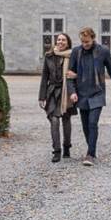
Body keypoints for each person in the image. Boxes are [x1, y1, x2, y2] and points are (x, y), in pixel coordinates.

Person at [67, 25, 111, 167]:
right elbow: (69, 75)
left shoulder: (103, 51)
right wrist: (72, 92)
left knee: (93, 123)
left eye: (87, 42)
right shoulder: (76, 52)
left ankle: (90, 154)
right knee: (85, 126)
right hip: (81, 93)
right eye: (83, 42)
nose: (85, 45)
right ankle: (91, 149)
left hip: (97, 93)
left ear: (93, 38)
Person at [38, 32, 78, 162]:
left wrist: (75, 78)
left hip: (66, 91)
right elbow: (44, 77)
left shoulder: (72, 56)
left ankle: (67, 147)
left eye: (63, 40)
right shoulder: (49, 56)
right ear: (56, 42)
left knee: (66, 120)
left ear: (68, 43)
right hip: (52, 92)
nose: (60, 42)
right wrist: (41, 97)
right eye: (59, 40)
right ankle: (56, 151)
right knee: (54, 120)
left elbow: (77, 73)